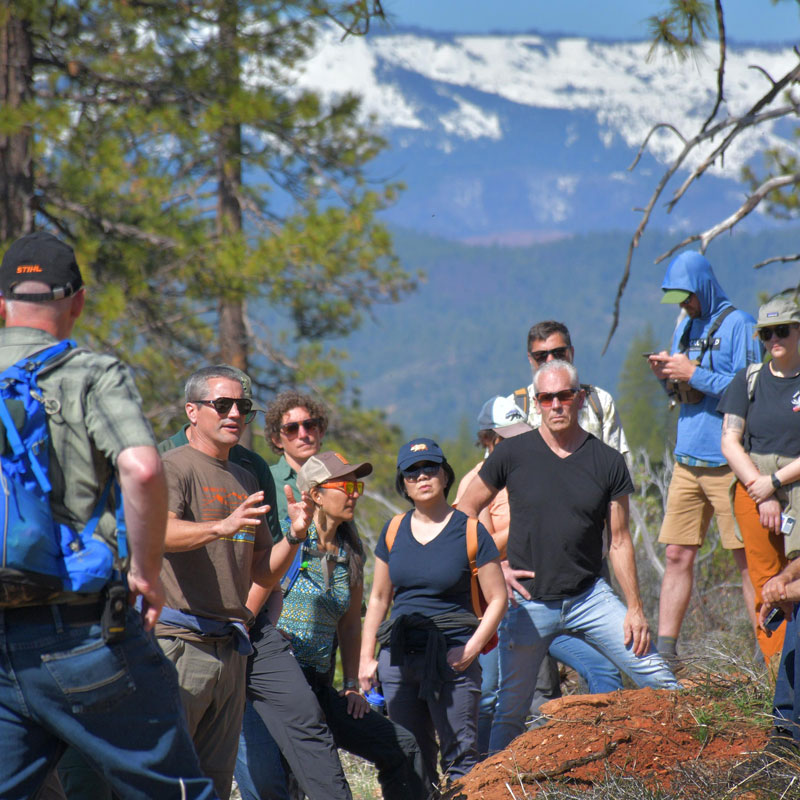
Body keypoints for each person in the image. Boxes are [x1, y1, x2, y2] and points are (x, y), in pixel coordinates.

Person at [0, 231, 216, 800]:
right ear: (78, 301)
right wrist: (145, 573)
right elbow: (143, 469)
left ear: (1, 304)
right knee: (172, 791)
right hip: (81, 631)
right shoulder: (90, 374)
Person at [459, 360, 679, 754]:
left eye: (564, 395)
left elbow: (619, 540)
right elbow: (465, 509)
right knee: (510, 711)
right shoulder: (513, 453)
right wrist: (493, 569)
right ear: (537, 403)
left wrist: (635, 608)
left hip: (588, 597)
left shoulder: (607, 461)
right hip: (527, 602)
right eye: (546, 397)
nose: (556, 404)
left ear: (579, 398)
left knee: (660, 680)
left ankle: (690, 760)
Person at [158, 365, 312, 799]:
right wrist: (219, 527)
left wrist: (296, 538)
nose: (234, 414)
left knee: (214, 786)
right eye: (221, 405)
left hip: (231, 647)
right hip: (180, 644)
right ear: (192, 410)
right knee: (168, 781)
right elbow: (157, 534)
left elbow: (261, 568)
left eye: (242, 406)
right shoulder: (172, 468)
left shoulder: (245, 477)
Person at [454, 396, 622, 758]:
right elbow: (472, 543)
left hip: (550, 596)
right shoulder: (476, 481)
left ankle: (596, 757)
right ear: (488, 440)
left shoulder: (537, 467)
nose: (515, 443)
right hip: (503, 608)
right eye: (504, 438)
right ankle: (482, 772)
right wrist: (517, 539)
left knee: (599, 670)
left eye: (520, 434)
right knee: (495, 696)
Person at [270, 451, 428, 799]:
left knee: (403, 747)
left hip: (321, 686)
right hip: (279, 689)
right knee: (301, 785)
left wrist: (353, 684)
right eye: (346, 485)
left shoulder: (350, 549)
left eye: (357, 484)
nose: (355, 492)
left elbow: (350, 626)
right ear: (316, 494)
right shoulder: (289, 540)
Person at [360, 438, 507, 786]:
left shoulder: (470, 531)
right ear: (403, 483)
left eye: (430, 467)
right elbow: (379, 599)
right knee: (410, 758)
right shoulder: (394, 530)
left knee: (461, 760)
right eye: (412, 471)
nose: (422, 476)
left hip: (452, 658)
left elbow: (498, 599)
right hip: (398, 658)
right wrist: (368, 659)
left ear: (445, 475)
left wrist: (469, 651)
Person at [235, 390, 354, 800]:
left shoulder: (344, 513)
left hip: (312, 662)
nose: (304, 433)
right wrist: (252, 628)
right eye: (292, 427)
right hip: (260, 643)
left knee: (305, 759)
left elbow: (350, 611)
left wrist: (353, 678)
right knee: (267, 776)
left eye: (311, 425)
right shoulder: (264, 480)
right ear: (277, 437)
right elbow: (263, 572)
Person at [648, 251, 761, 668]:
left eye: (688, 296)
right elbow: (685, 392)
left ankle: (766, 652)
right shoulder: (684, 327)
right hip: (687, 459)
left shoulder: (741, 324)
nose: (685, 304)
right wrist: (669, 377)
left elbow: (749, 388)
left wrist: (693, 373)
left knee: (747, 561)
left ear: (704, 286)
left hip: (728, 463)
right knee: (677, 555)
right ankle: (665, 654)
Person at [720, 296, 800, 673]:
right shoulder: (748, 379)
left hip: (791, 488)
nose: (774, 340)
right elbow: (730, 441)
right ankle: (777, 681)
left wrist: (774, 483)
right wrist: (759, 488)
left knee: (795, 580)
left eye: (782, 330)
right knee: (766, 587)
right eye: (767, 334)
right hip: (754, 493)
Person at [509, 319, 630, 459]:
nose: (550, 360)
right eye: (541, 356)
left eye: (559, 353)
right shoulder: (514, 408)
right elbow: (497, 471)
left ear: (571, 352)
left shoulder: (600, 402)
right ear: (530, 359)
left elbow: (620, 466)